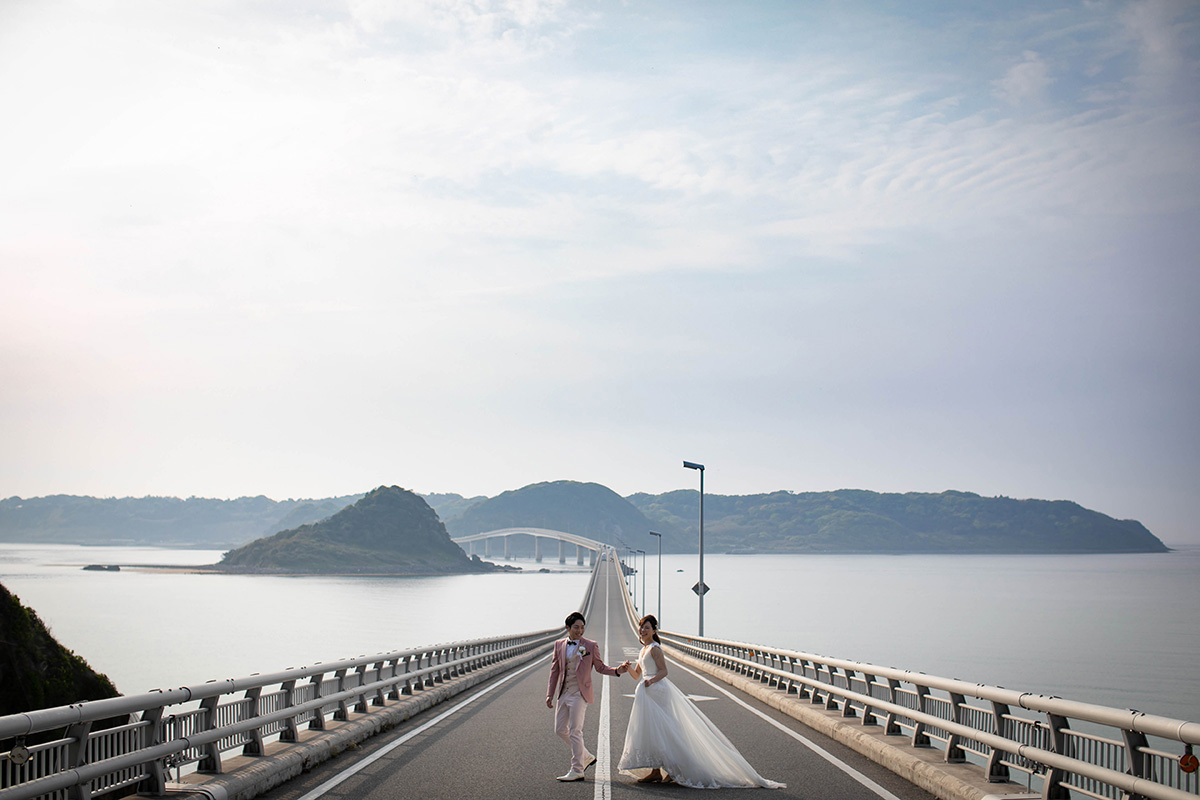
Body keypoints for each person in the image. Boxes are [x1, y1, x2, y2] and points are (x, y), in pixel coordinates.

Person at [616, 615, 785, 789]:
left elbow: (664, 671)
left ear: (654, 631)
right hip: (646, 692)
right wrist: (627, 668)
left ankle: (674, 769)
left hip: (657, 691)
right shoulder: (643, 650)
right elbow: (637, 675)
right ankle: (656, 770)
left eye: (647, 628)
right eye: (641, 627)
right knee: (653, 730)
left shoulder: (654, 649)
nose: (643, 630)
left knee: (665, 730)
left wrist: (651, 681)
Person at [546, 611, 624, 781]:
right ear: (568, 628)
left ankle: (577, 769)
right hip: (563, 693)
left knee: (575, 731)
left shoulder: (590, 645)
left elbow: (600, 667)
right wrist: (550, 694)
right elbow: (555, 671)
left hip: (580, 694)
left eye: (582, 628)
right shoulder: (559, 645)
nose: (580, 631)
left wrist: (617, 671)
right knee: (560, 729)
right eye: (576, 628)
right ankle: (586, 756)